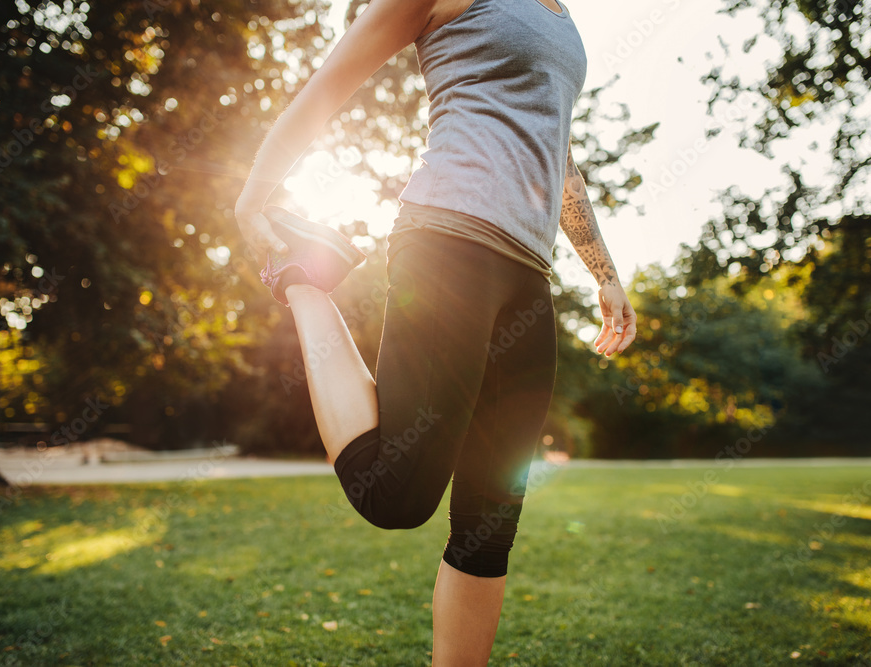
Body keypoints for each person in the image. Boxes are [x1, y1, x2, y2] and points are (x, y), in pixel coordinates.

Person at [234, 0, 638, 664]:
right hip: (449, 240)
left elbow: (557, 153)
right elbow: (335, 76)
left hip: (528, 276)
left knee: (490, 523)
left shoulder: (561, 17)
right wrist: (256, 190)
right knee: (394, 488)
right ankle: (303, 277)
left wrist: (605, 270)